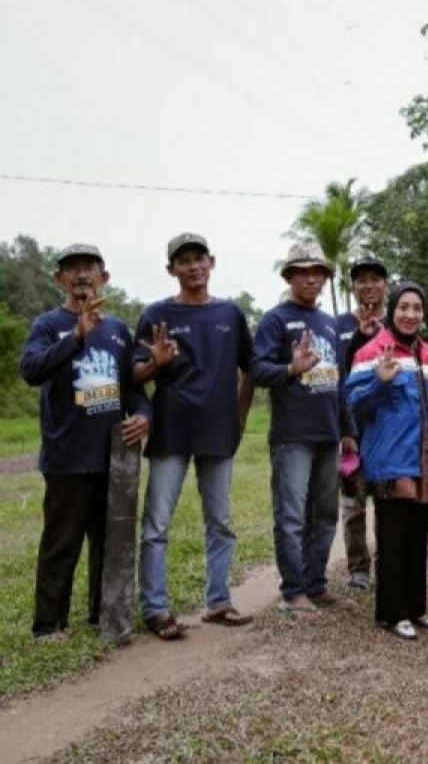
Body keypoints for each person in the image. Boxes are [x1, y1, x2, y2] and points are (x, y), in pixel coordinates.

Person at [19, 243, 151, 641]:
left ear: (104, 277)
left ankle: (102, 613)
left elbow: (133, 389)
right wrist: (75, 335)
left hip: (112, 458)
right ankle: (48, 624)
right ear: (59, 279)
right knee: (62, 543)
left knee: (109, 542)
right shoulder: (47, 325)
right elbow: (30, 370)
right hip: (66, 457)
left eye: (89, 268)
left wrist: (145, 415)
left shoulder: (117, 330)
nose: (81, 275)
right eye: (71, 269)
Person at [133, 233, 256, 640]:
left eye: (199, 258)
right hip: (171, 430)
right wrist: (156, 363)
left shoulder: (230, 314)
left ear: (212, 262)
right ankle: (155, 608)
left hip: (218, 433)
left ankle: (219, 602)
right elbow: (133, 375)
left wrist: (238, 418)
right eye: (183, 261)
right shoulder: (155, 314)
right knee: (157, 524)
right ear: (172, 269)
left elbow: (251, 368)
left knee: (220, 521)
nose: (192, 266)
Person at [344, 282, 428, 640]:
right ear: (392, 310)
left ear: (423, 314)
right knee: (393, 540)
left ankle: (417, 608)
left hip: (425, 461)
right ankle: (391, 613)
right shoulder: (371, 351)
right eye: (403, 307)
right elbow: (351, 403)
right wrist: (379, 383)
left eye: (416, 308)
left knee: (418, 539)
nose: (410, 315)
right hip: (389, 461)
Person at [251, 243, 345, 615]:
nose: (311, 277)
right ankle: (293, 590)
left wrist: (347, 429)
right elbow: (257, 370)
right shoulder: (275, 320)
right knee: (291, 517)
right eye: (302, 271)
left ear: (324, 278)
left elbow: (340, 381)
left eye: (317, 271)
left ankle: (316, 583)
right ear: (288, 276)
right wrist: (290, 370)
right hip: (293, 435)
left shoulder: (329, 323)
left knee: (325, 514)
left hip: (328, 433)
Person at [334, 255, 389, 592]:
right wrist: (343, 429)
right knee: (353, 502)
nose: (368, 285)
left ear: (385, 284)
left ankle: (389, 564)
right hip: (350, 427)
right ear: (352, 286)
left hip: (385, 427)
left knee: (387, 499)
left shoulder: (397, 321)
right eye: (361, 279)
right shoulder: (338, 324)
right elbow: (337, 374)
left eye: (375, 279)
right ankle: (358, 569)